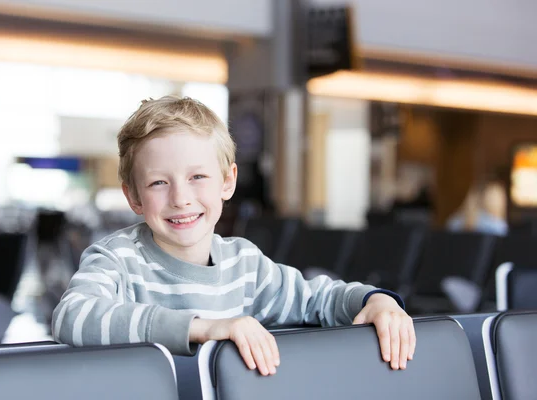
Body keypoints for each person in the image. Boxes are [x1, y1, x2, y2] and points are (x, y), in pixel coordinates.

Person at [52, 96, 415, 375]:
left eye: (198, 177)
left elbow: (316, 299)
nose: (181, 198)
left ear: (228, 181)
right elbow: (73, 316)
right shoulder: (117, 259)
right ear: (133, 196)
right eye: (158, 182)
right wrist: (203, 328)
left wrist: (375, 301)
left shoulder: (246, 265)